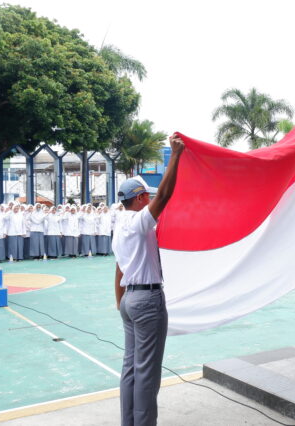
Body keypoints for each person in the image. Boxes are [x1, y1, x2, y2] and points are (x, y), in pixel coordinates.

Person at [112, 133, 184, 426]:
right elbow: (165, 195)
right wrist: (176, 155)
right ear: (140, 198)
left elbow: (118, 268)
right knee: (147, 373)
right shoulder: (140, 222)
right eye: (148, 196)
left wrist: (122, 304)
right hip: (147, 299)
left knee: (131, 367)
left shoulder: (120, 224)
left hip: (130, 298)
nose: (152, 199)